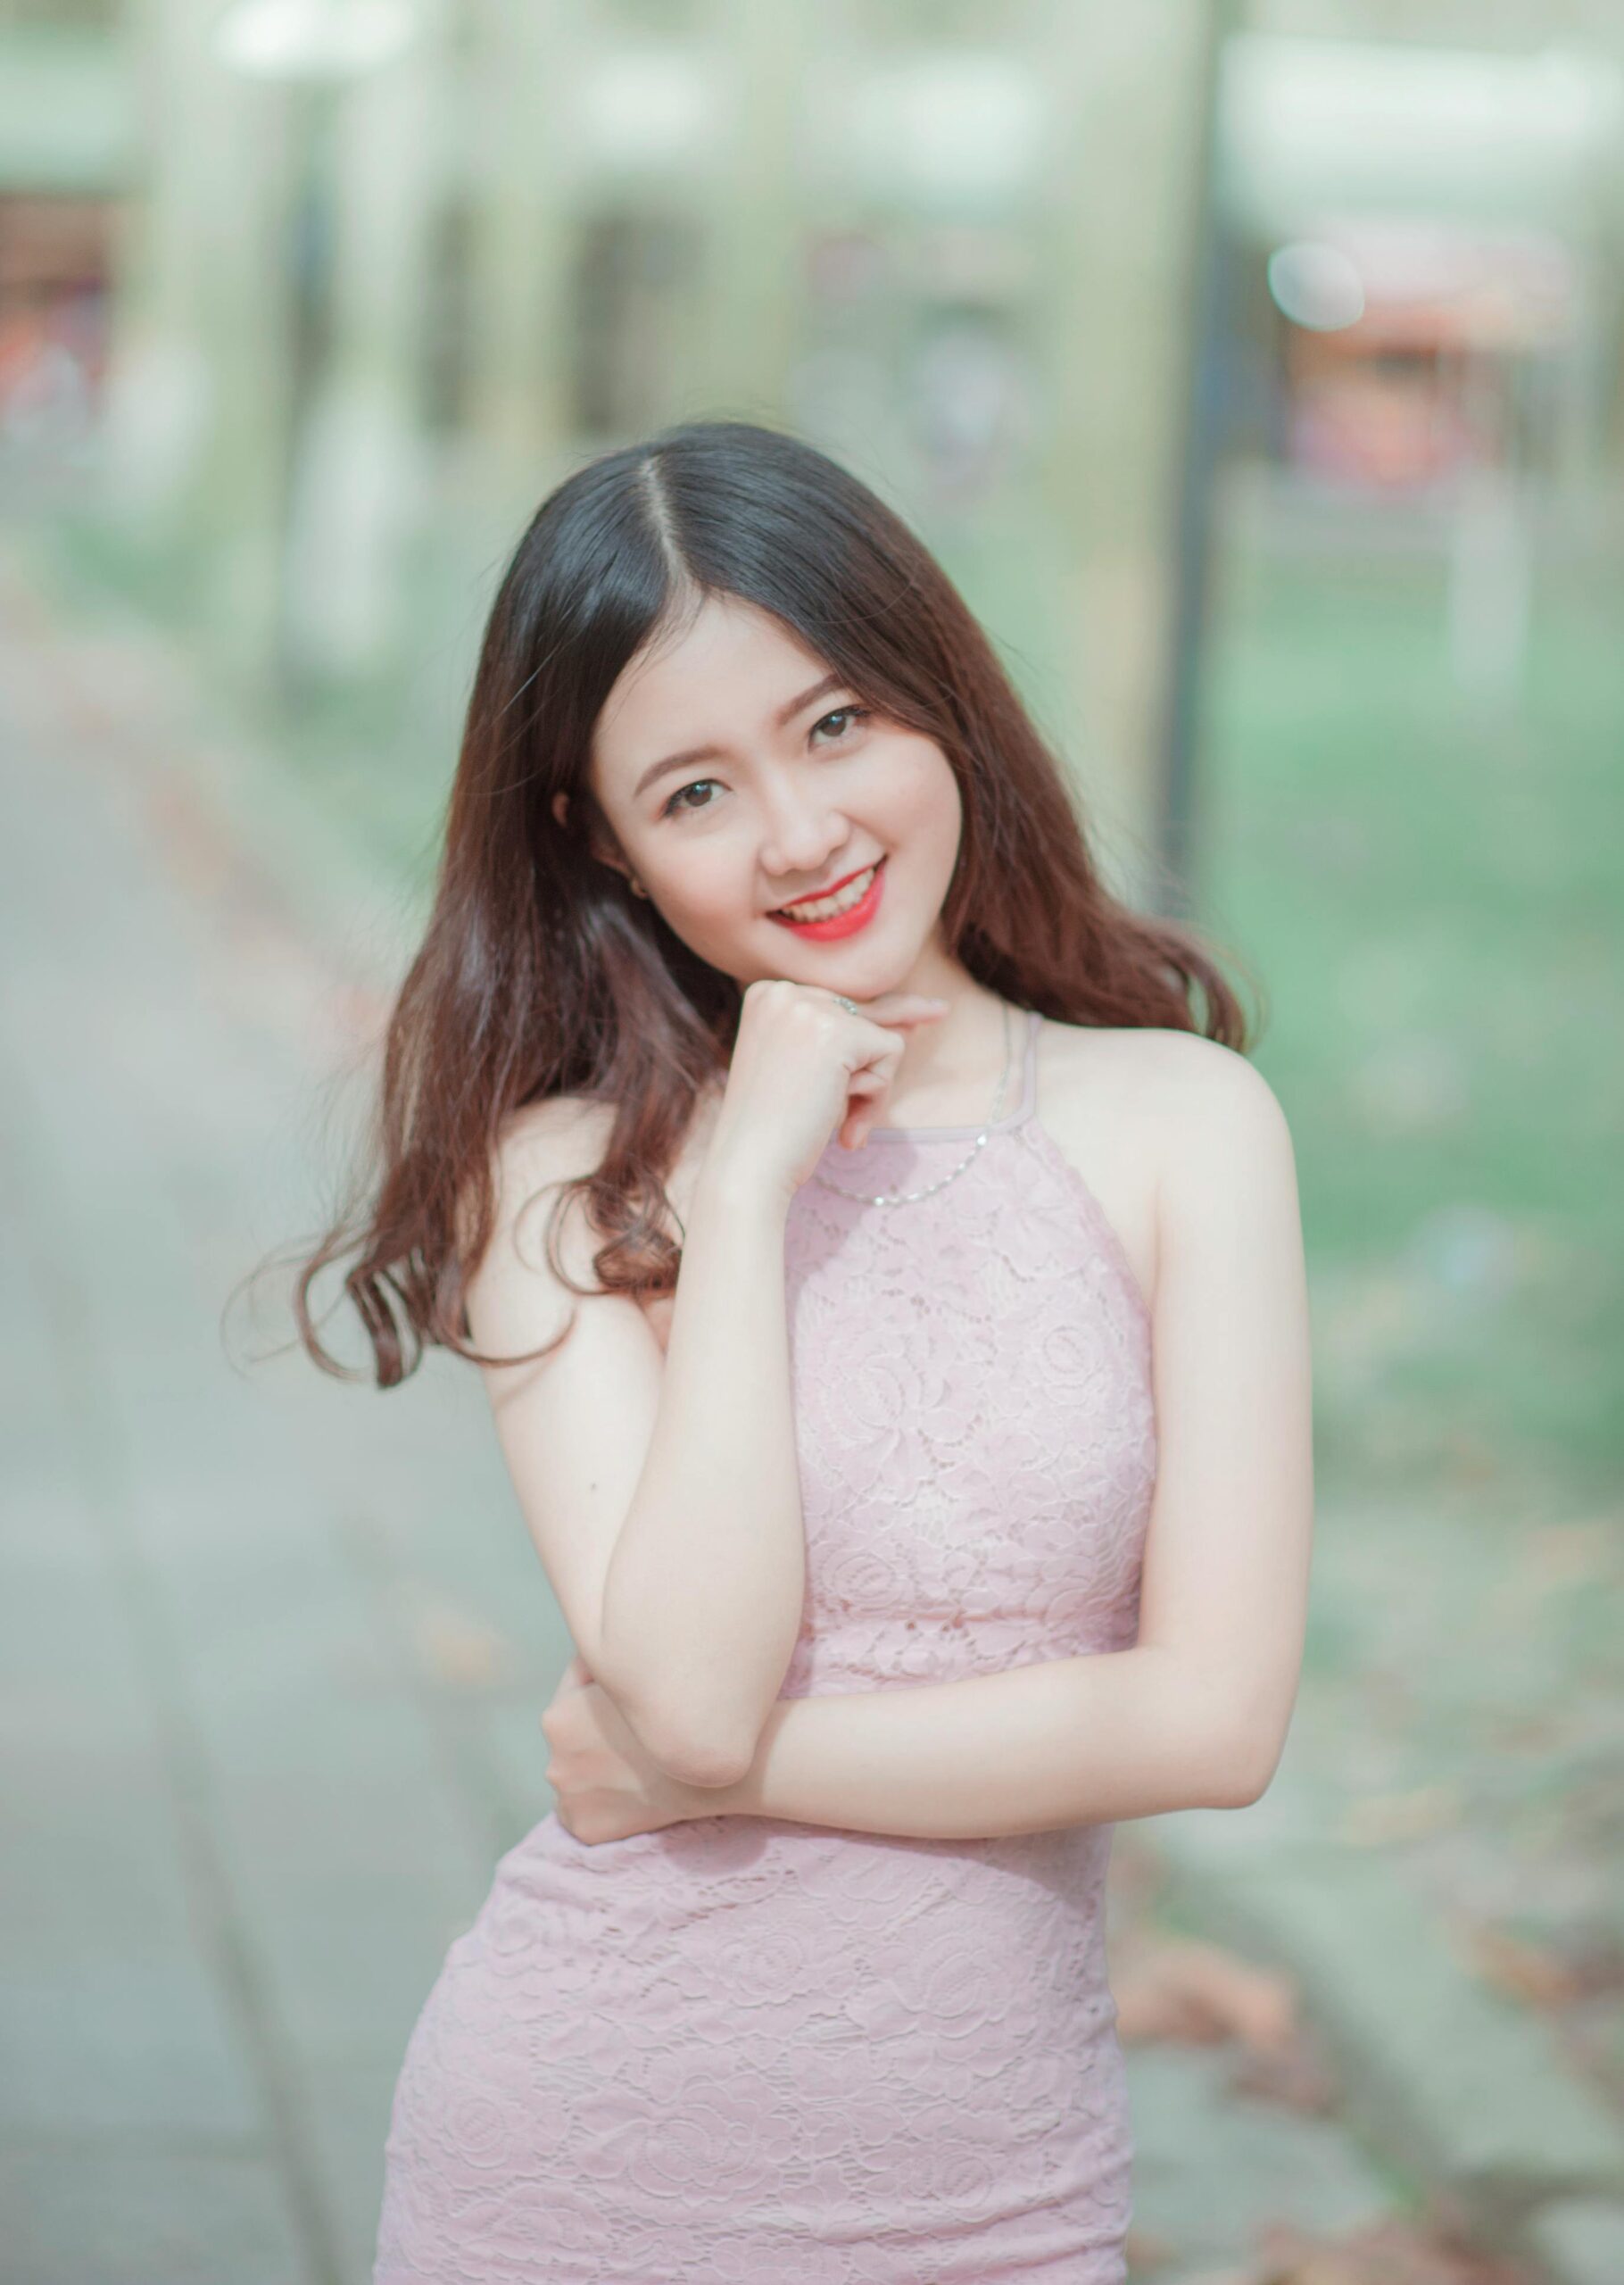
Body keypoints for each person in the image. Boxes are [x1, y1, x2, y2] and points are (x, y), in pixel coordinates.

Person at [292, 418, 1313, 2281]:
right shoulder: (558, 1174)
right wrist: (748, 1189)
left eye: (835, 723)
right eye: (693, 789)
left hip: (1002, 2191)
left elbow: (1211, 1716)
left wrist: (730, 1776)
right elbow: (678, 1689)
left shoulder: (1180, 1123)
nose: (803, 830)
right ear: (590, 834)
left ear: (939, 697)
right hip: (580, 2166)